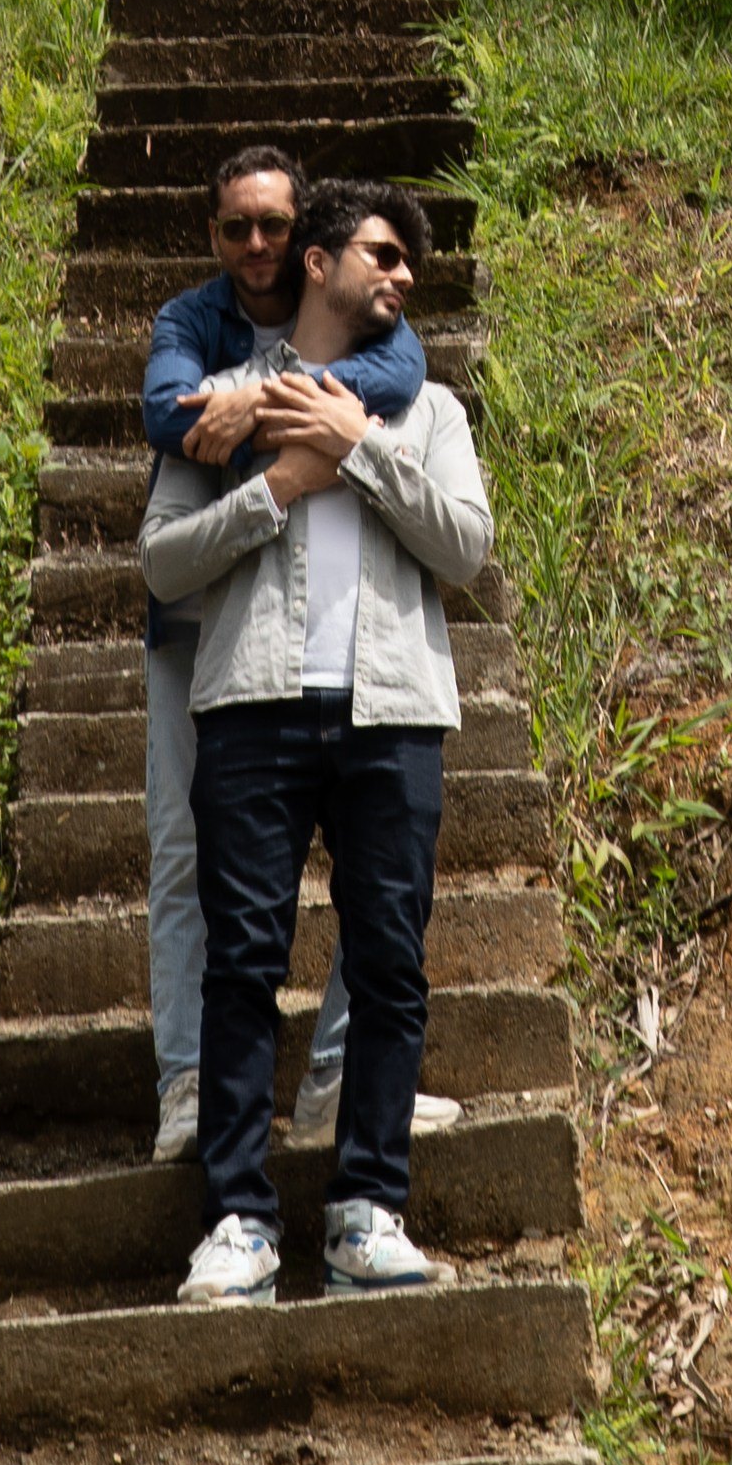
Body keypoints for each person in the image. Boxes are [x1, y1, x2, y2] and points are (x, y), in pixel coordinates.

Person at [140, 176, 495, 1305]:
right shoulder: (226, 404)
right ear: (317, 261)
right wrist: (280, 486)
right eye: (382, 255)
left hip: (393, 713)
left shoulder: (429, 412)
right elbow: (161, 561)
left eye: (409, 267)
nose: (399, 277)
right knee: (245, 967)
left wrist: (360, 445)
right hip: (251, 704)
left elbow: (467, 550)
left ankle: (364, 1214)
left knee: (390, 966)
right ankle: (240, 1221)